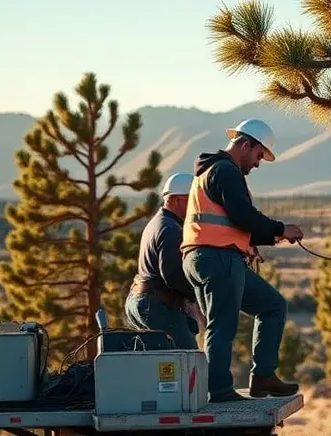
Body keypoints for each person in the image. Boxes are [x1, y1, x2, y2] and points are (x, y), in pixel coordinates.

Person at [181, 118, 305, 403]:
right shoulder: (226, 171)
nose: (258, 163)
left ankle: (263, 378)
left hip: (207, 257)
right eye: (259, 155)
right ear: (245, 144)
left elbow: (230, 222)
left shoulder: (211, 171)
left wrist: (263, 239)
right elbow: (242, 215)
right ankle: (220, 392)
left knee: (272, 305)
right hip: (218, 259)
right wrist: (279, 228)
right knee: (221, 325)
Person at [123, 173, 203, 350]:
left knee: (160, 361)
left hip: (143, 301)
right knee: (188, 356)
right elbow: (172, 275)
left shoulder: (159, 223)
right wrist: (198, 295)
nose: (196, 207)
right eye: (192, 200)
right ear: (176, 200)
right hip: (157, 306)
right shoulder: (169, 229)